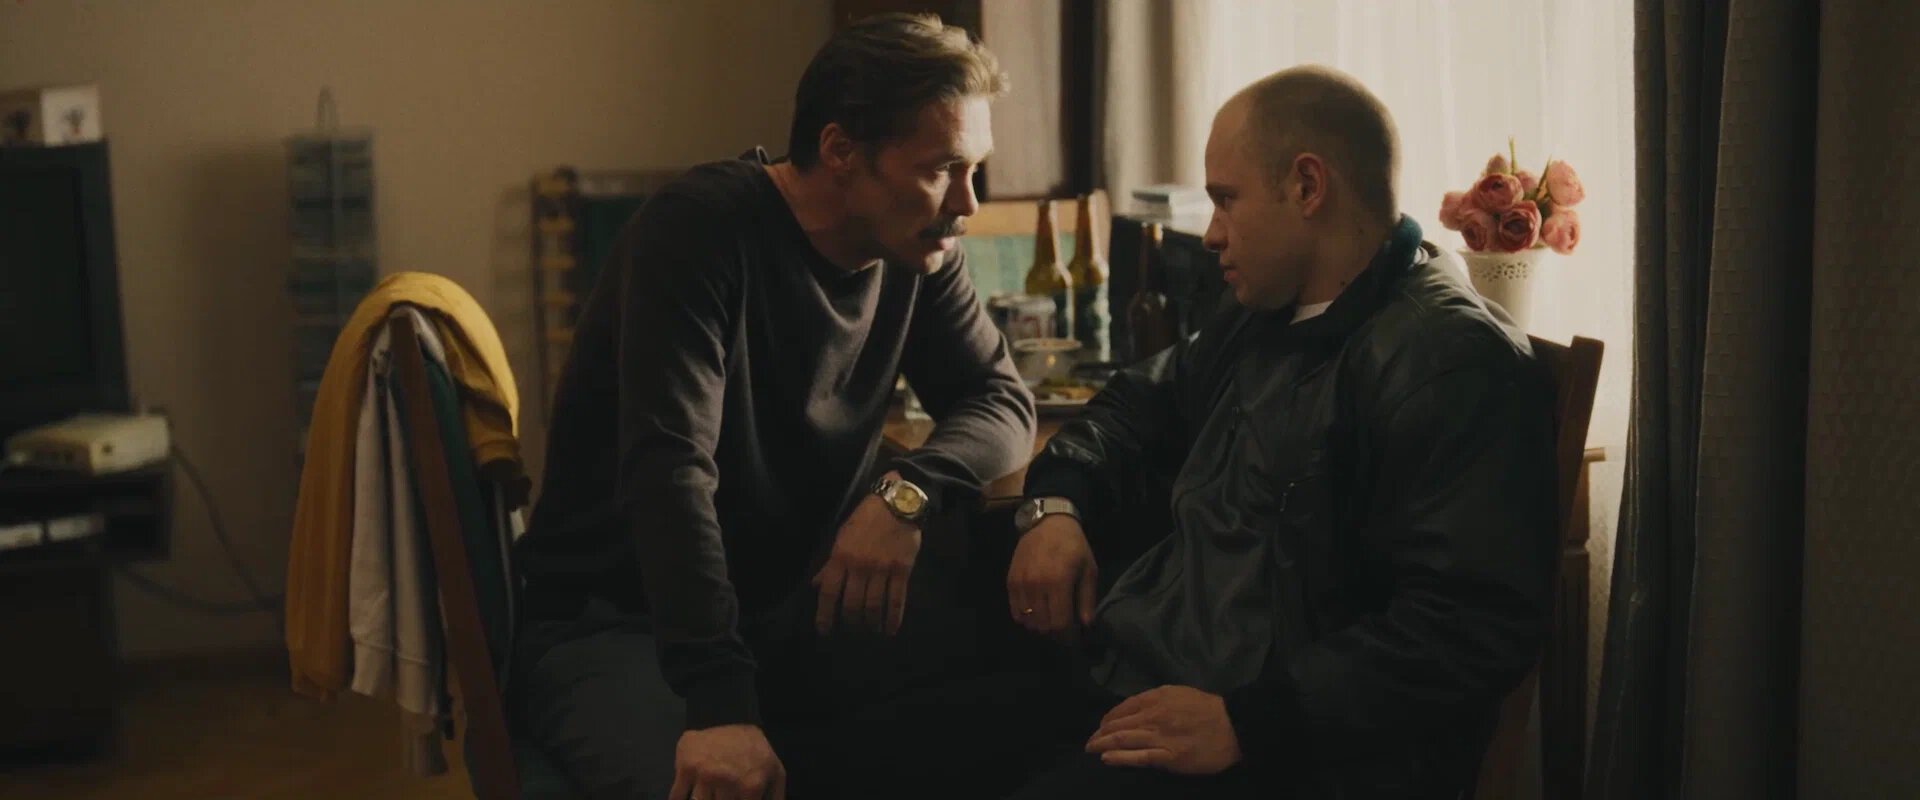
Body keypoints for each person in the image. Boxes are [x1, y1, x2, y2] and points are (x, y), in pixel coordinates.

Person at [510, 14, 1043, 800]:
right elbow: (670, 475)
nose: (967, 202)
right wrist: (720, 705)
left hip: (783, 616)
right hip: (622, 622)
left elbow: (1000, 398)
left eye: (975, 170)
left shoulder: (918, 249)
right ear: (840, 151)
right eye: (943, 169)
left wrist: (908, 491)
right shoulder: (698, 231)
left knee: (1040, 690)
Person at [1002, 66, 1560, 799]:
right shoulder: (1262, 312)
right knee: (904, 727)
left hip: (1285, 750)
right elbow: (1134, 405)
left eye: (1225, 200)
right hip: (1138, 673)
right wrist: (1056, 504)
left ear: (1306, 186)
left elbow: (1469, 624)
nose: (1211, 234)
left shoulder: (1447, 360)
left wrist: (1249, 723)